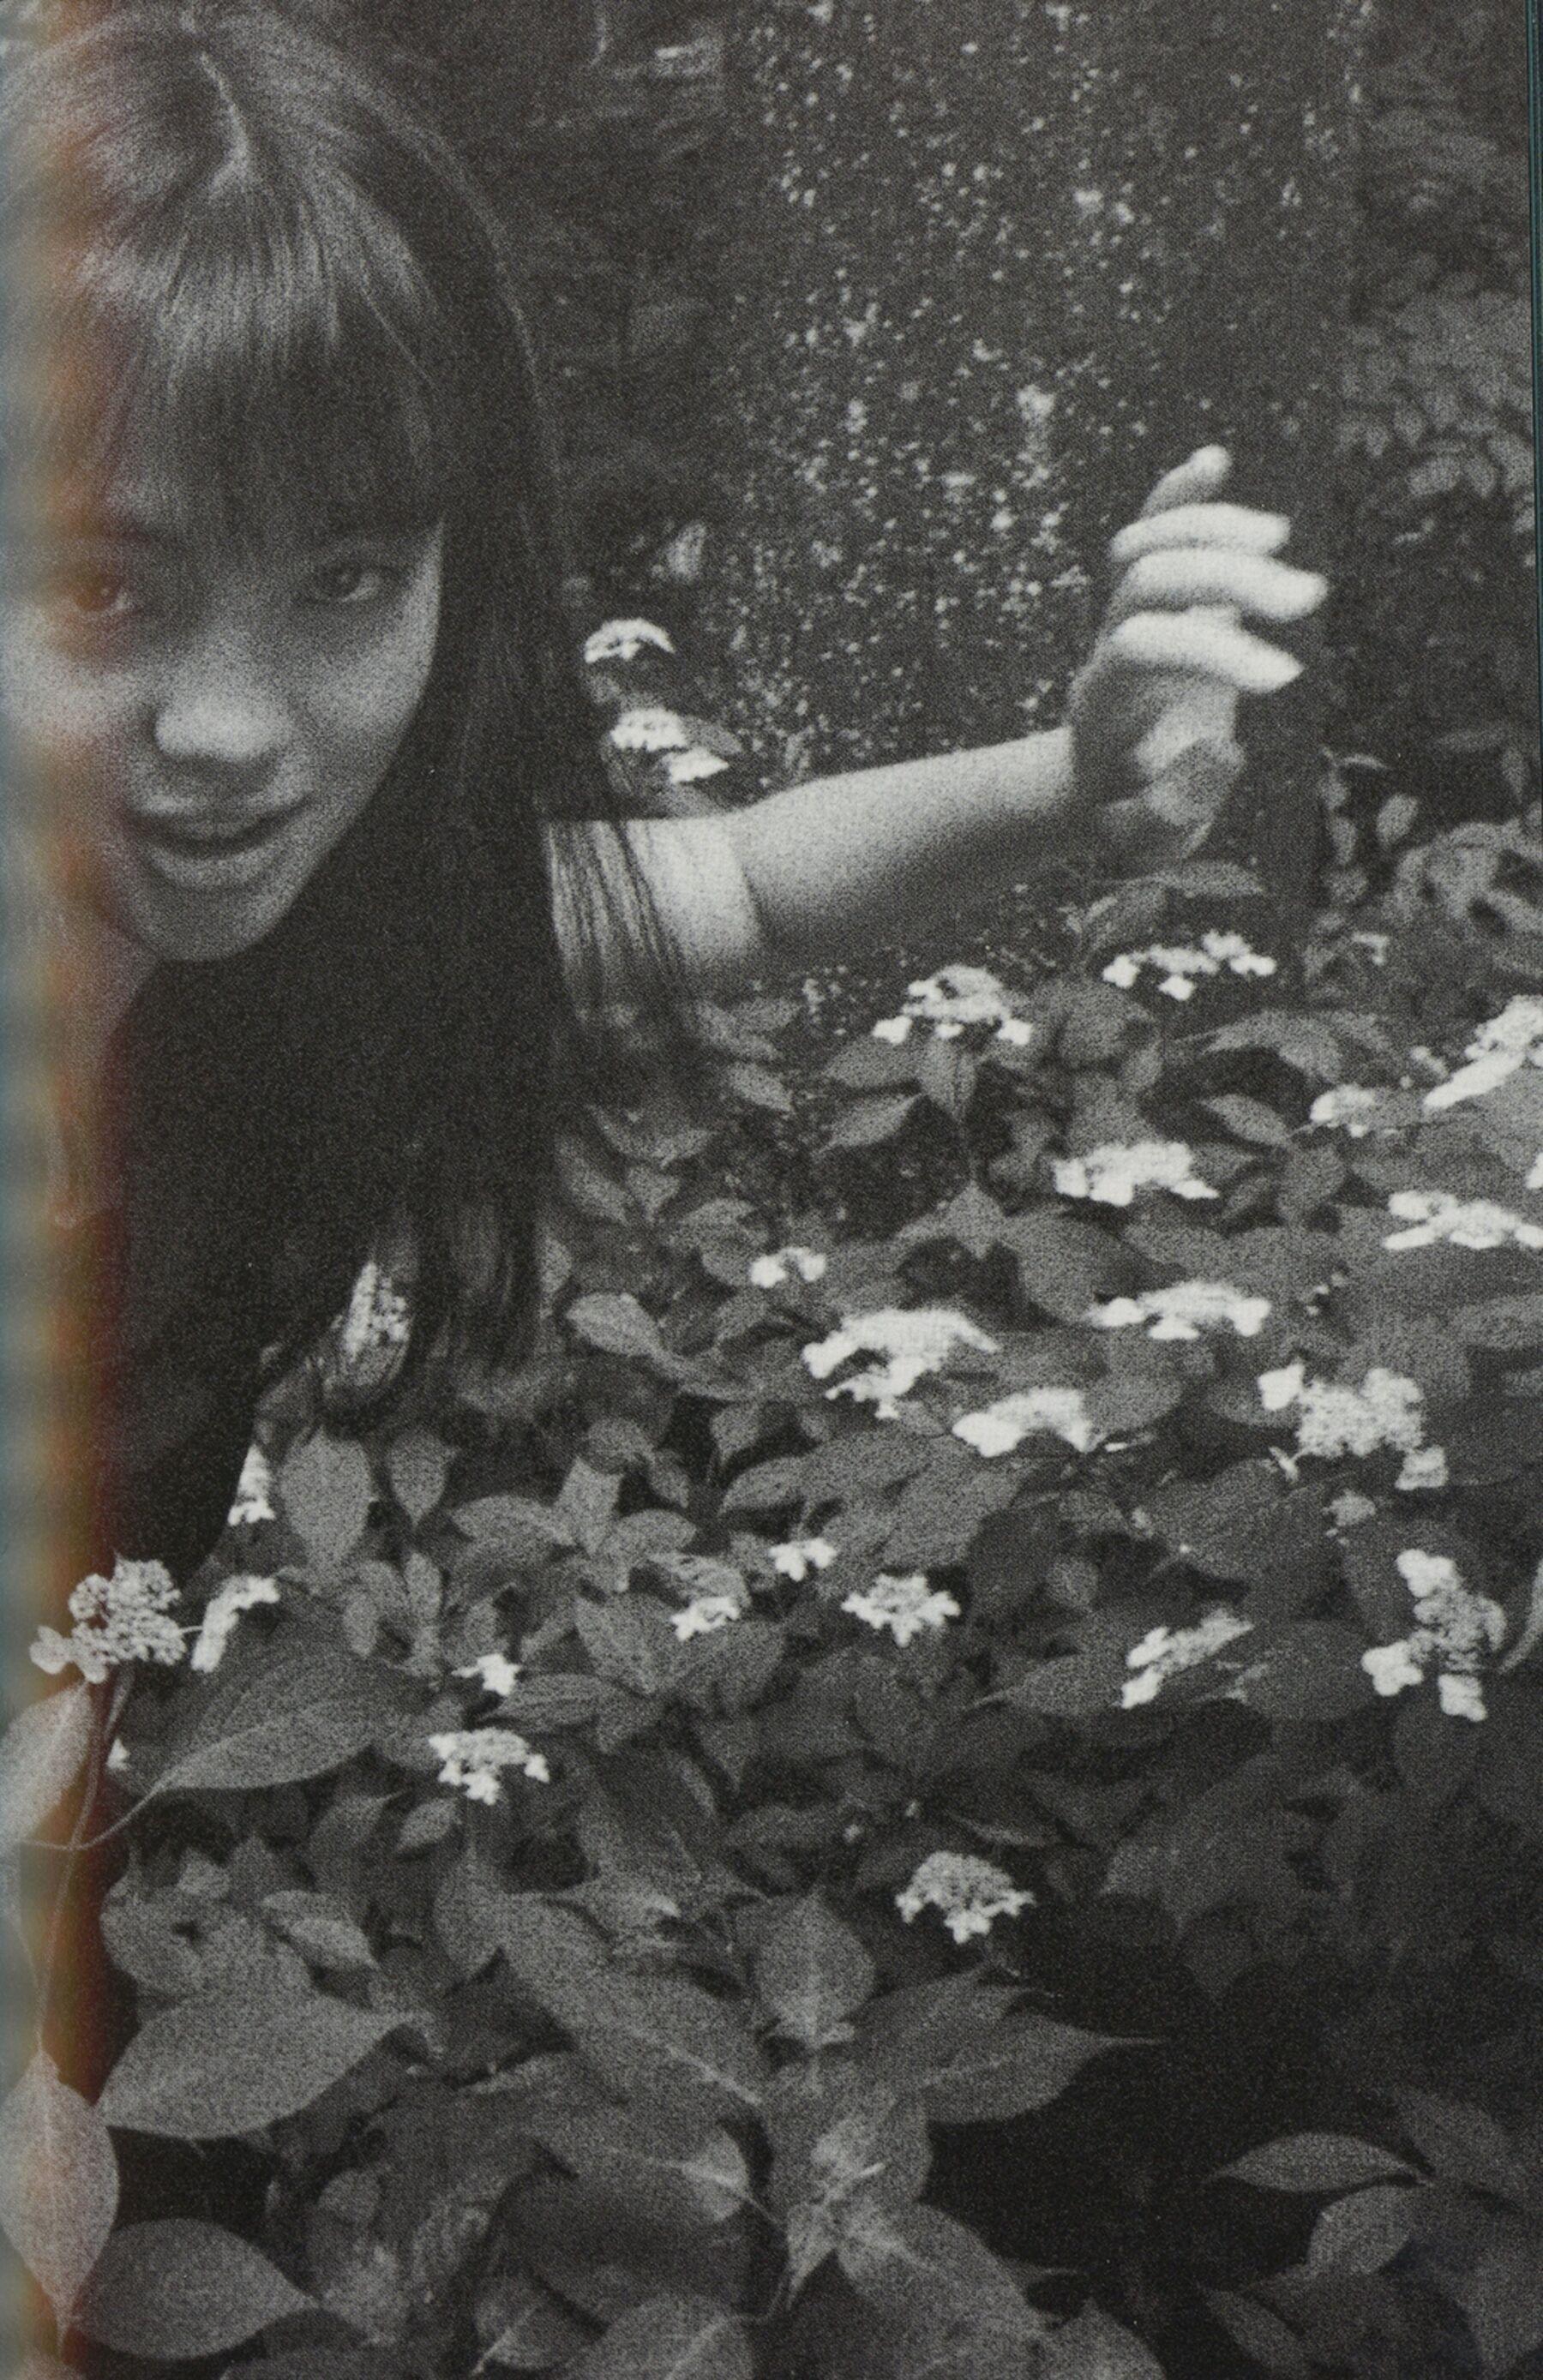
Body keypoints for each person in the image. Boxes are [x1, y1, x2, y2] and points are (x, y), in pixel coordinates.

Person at [1, 0, 1329, 1620]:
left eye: (344, 581)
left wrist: (1076, 781)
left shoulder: (300, 951)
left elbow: (747, 884)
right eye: (103, 588)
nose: (227, 729)